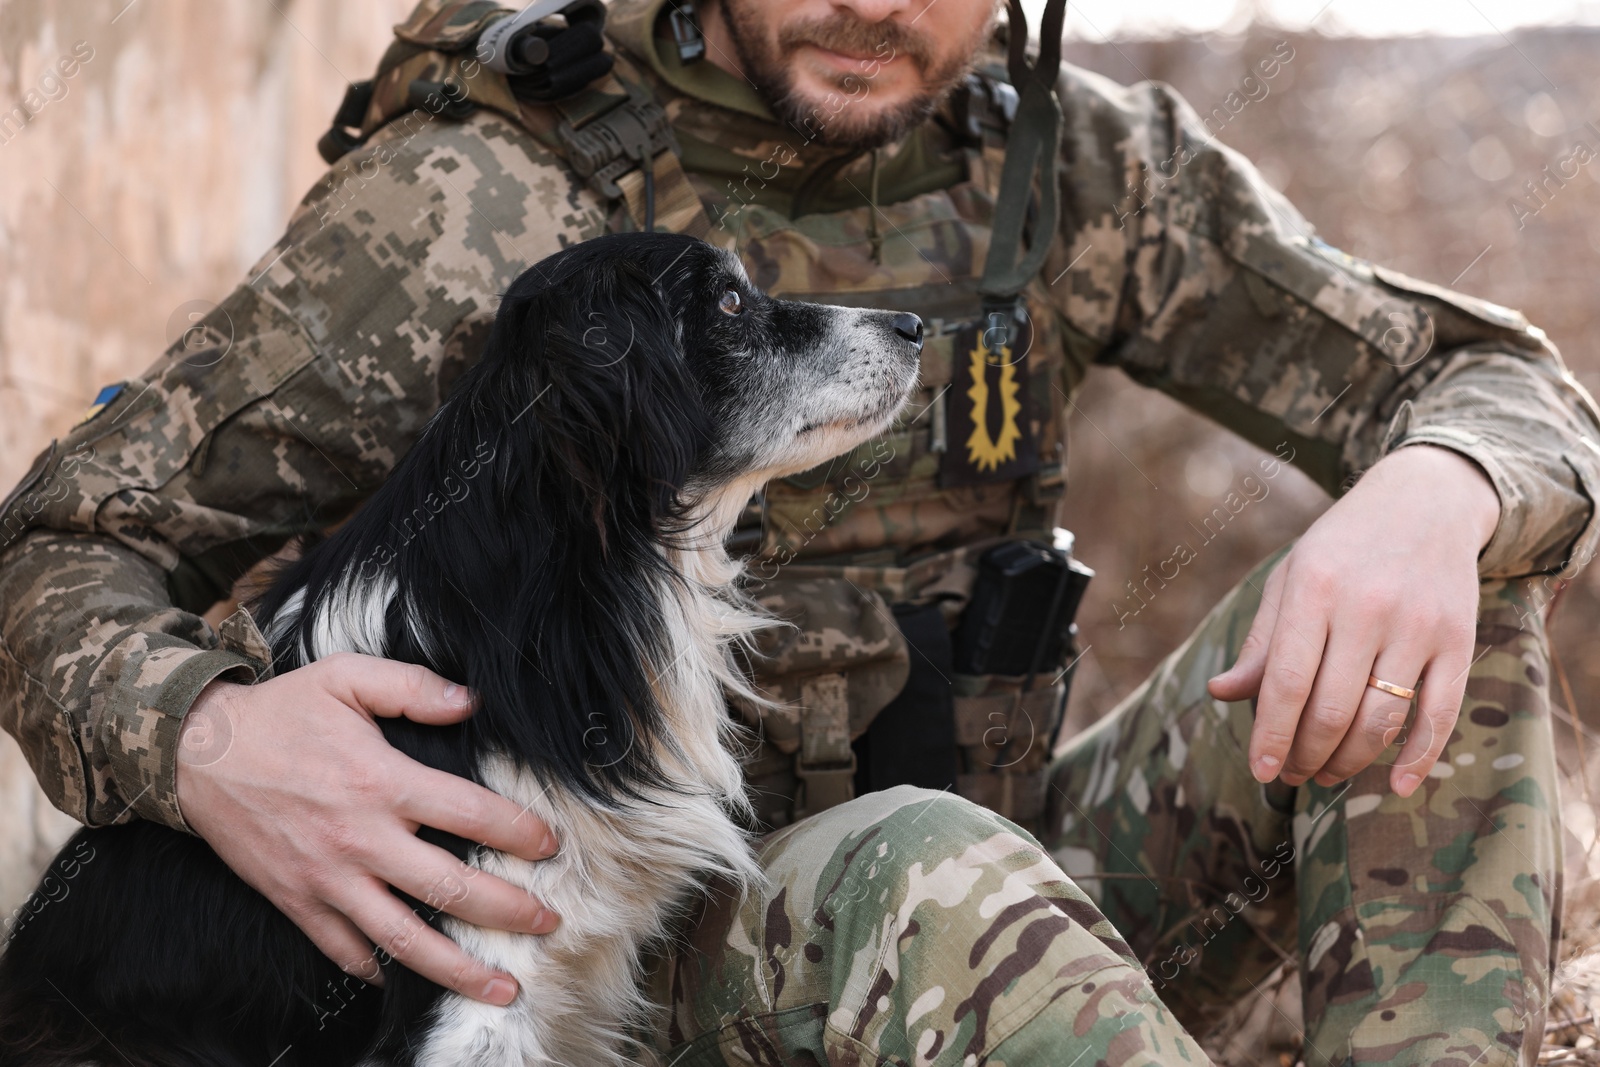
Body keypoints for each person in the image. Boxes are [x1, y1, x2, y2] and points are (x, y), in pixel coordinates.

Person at [0, 0, 1593, 1061]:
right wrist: (202, 737)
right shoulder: (483, 197)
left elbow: (1497, 381)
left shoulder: (1085, 171)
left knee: (1466, 601)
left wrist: (1433, 489)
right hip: (641, 949)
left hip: (1004, 917)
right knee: (923, 866)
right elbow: (58, 546)